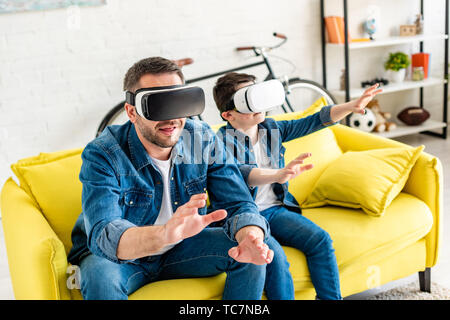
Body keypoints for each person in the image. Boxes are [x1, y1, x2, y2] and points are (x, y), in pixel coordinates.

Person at [67, 57, 296, 300]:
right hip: (123, 256)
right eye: (157, 106)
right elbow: (104, 232)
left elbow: (237, 202)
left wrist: (250, 234)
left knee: (250, 254)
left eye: (177, 103)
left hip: (183, 247)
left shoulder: (201, 138)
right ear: (132, 112)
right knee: (100, 278)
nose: (171, 119)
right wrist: (164, 234)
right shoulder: (103, 152)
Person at [212, 72, 383, 300]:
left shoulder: (271, 129)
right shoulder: (220, 141)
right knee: (276, 258)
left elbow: (315, 121)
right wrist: (277, 174)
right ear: (228, 114)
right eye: (248, 99)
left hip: (274, 210)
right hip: (244, 218)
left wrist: (351, 106)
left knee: (320, 239)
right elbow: (242, 173)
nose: (257, 103)